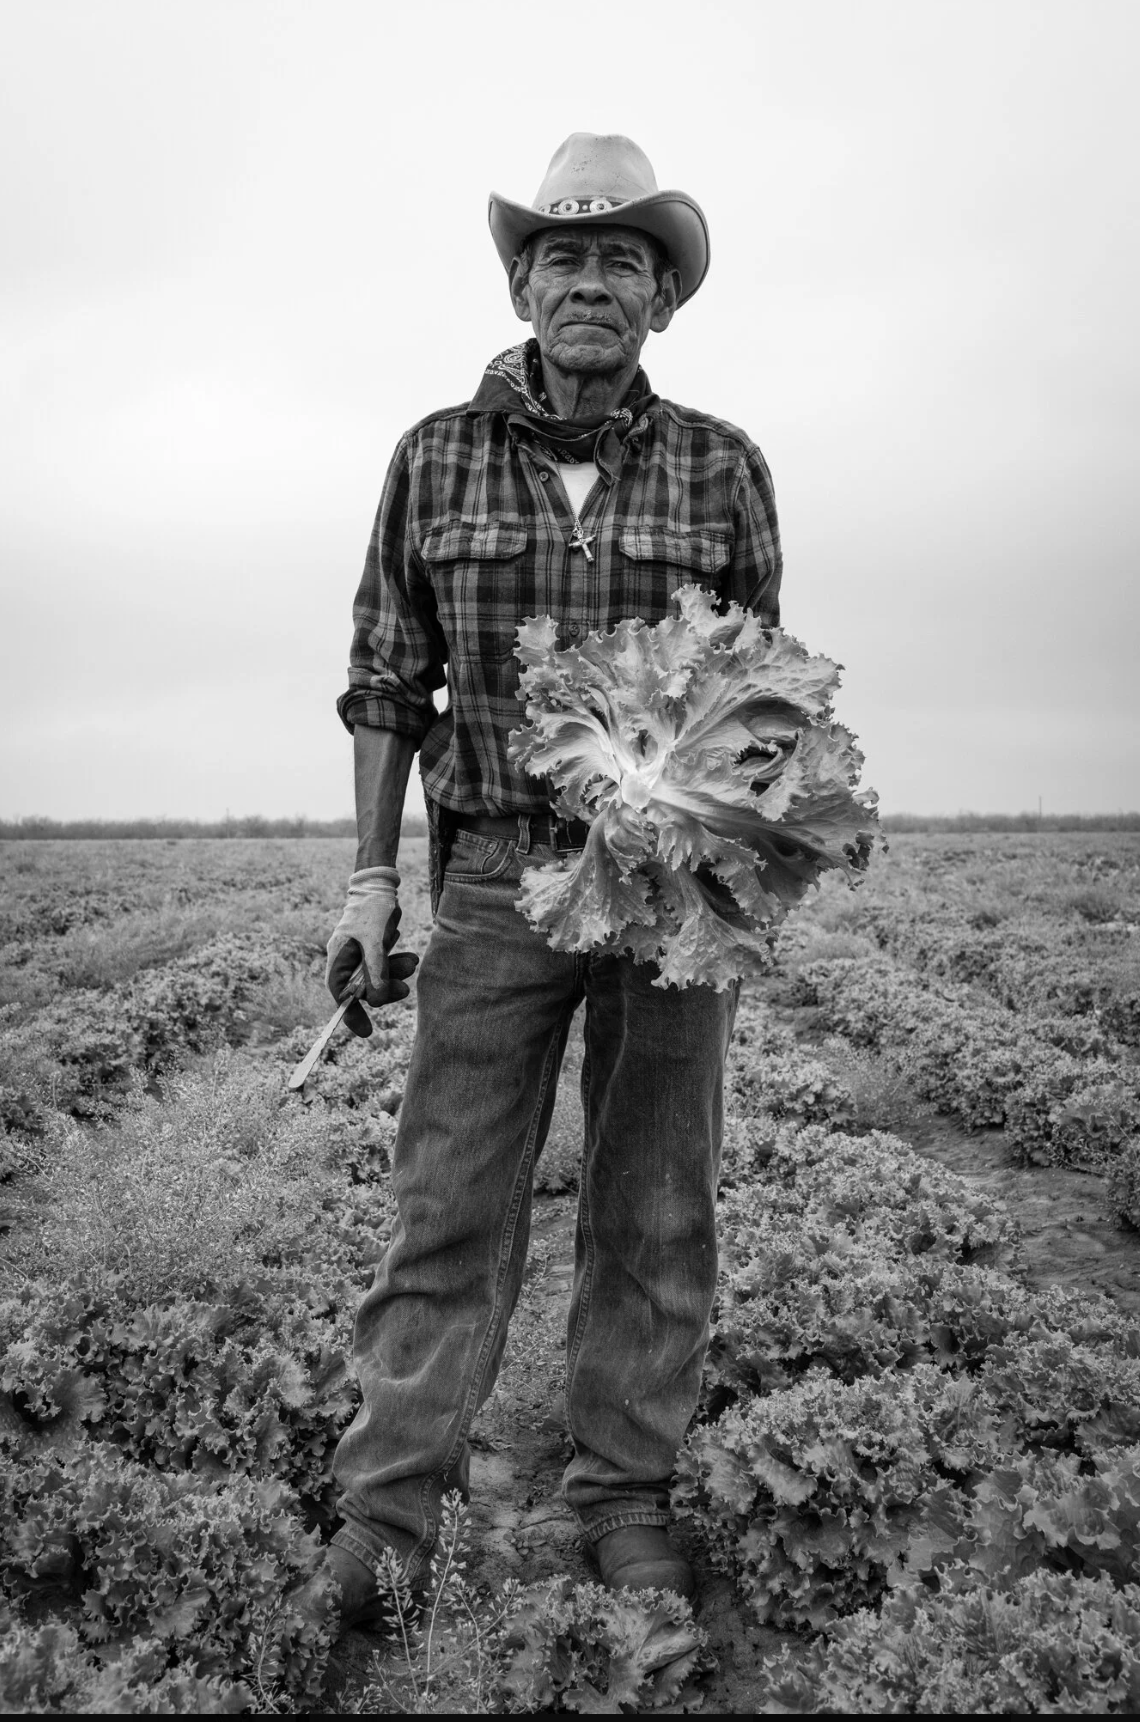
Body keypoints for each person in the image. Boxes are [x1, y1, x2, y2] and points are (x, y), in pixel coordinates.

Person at [318, 133, 782, 1632]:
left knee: (657, 1201)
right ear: (523, 282)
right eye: (565, 256)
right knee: (449, 1200)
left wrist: (727, 834)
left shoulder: (723, 464)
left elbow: (761, 695)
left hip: (667, 889)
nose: (592, 282)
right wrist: (371, 881)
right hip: (498, 879)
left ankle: (623, 1494)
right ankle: (392, 1506)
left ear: (661, 299)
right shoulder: (433, 456)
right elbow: (388, 682)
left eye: (624, 260)